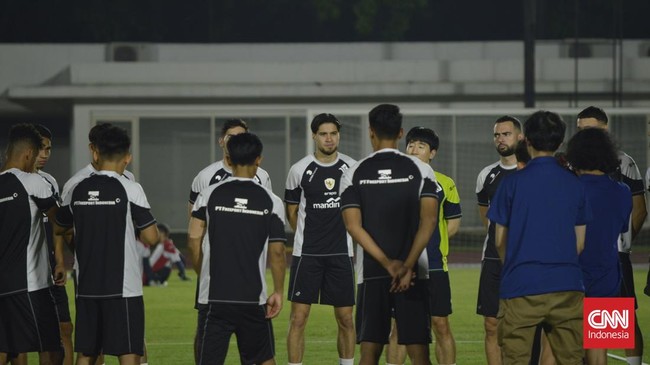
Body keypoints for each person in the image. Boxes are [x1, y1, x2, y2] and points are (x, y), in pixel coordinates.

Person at [488, 110, 590, 364]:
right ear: (559, 142)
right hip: (566, 285)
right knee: (571, 359)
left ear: (527, 141)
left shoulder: (511, 184)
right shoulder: (575, 184)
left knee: (515, 359)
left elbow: (500, 240)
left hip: (521, 284)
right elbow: (580, 243)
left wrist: (513, 266)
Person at [340, 104, 439, 365]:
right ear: (400, 132)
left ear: (371, 132)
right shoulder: (421, 170)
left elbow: (353, 227)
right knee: (419, 353)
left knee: (370, 352)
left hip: (372, 272)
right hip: (414, 273)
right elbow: (429, 221)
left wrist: (387, 264)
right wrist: (406, 265)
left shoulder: (353, 173)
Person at [55, 125, 159, 365]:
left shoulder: (78, 188)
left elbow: (59, 226)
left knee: (88, 352)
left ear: (96, 153)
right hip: (123, 287)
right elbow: (151, 238)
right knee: (129, 352)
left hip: (87, 284)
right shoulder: (130, 188)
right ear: (127, 156)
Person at [187, 133, 287, 364]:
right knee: (263, 359)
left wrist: (204, 273)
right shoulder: (271, 201)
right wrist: (279, 292)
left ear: (229, 160)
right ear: (259, 159)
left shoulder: (208, 195)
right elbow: (278, 252)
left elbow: (193, 240)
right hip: (253, 298)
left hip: (216, 298)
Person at [385, 126, 461, 365]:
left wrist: (426, 243)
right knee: (399, 327)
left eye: (421, 145)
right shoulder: (392, 179)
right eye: (411, 144)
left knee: (441, 324)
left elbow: (453, 224)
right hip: (403, 266)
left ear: (432, 153)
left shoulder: (445, 183)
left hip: (436, 265)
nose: (414, 149)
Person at [285, 113, 356, 365]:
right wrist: (307, 234)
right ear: (314, 135)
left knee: (346, 319)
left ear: (339, 135)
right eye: (323, 134)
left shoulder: (352, 168)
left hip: (341, 253)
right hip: (307, 254)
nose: (329, 138)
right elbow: (291, 212)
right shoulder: (299, 170)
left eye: (333, 133)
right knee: (298, 319)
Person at [577, 106, 646, 365]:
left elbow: (639, 210)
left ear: (605, 129)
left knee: (619, 321)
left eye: (590, 129)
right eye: (581, 129)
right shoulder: (574, 165)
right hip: (583, 258)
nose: (584, 135)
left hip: (612, 256)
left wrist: (623, 243)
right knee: (585, 330)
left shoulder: (624, 163)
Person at [566, 127, 632, 365]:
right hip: (609, 276)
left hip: (570, 276)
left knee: (564, 347)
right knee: (599, 348)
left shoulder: (569, 188)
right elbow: (624, 227)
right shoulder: (622, 192)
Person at [0, 124, 63, 365]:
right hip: (30, 284)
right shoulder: (32, 181)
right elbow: (60, 223)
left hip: (3, 286)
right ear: (28, 154)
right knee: (51, 349)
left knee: (7, 348)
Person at [475, 116, 523, 365]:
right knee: (491, 323)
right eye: (497, 135)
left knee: (524, 324)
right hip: (494, 257)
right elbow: (486, 215)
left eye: (506, 134)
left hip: (525, 258)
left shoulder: (530, 171)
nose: (501, 139)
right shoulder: (487, 175)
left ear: (520, 137)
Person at [188, 119, 272, 216]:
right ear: (221, 142)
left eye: (240, 138)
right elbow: (194, 220)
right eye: (230, 137)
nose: (235, 142)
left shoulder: (262, 176)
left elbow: (267, 213)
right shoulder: (205, 177)